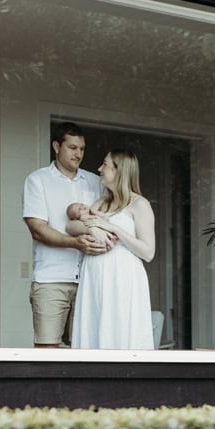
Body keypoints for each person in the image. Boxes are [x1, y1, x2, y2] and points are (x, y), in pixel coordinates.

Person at [22, 122, 108, 348]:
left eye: (81, 148)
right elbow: (37, 229)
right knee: (47, 349)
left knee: (87, 350)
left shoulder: (94, 182)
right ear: (56, 146)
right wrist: (75, 243)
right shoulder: (38, 180)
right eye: (72, 147)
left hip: (90, 279)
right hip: (52, 279)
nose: (78, 154)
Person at [67, 149, 155, 349]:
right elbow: (70, 226)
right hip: (94, 277)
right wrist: (93, 227)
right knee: (94, 331)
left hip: (122, 278)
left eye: (105, 164)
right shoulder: (101, 202)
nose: (99, 168)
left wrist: (113, 228)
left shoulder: (139, 205)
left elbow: (148, 252)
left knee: (119, 331)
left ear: (119, 171)